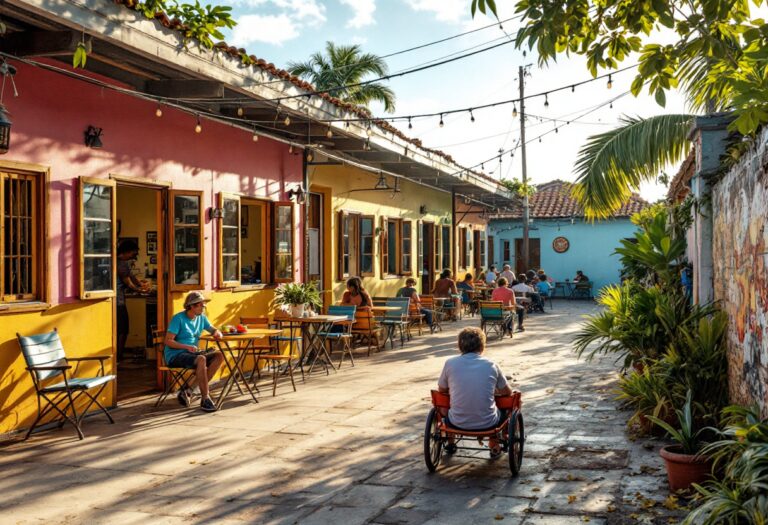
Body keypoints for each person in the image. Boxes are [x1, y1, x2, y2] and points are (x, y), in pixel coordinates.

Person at [437, 327, 513, 458]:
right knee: (504, 406)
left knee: (447, 402)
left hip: (455, 422)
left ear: (460, 346)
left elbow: (442, 390)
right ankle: (494, 445)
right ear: (482, 346)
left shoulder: (450, 363)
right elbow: (507, 392)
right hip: (488, 423)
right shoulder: (491, 365)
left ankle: (450, 441)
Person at [164, 291, 224, 412]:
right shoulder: (178, 318)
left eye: (203, 305)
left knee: (219, 355)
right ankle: (205, 398)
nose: (203, 308)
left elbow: (212, 329)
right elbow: (168, 341)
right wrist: (186, 347)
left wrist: (217, 332)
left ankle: (188, 390)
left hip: (192, 354)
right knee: (202, 359)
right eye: (201, 305)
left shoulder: (201, 318)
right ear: (192, 306)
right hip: (175, 355)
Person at [116, 239, 149, 363]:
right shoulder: (121, 264)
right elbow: (128, 282)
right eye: (133, 254)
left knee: (122, 330)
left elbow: (131, 277)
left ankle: (119, 355)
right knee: (123, 330)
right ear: (127, 252)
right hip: (118, 302)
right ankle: (118, 356)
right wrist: (140, 290)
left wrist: (140, 284)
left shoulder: (122, 263)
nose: (134, 257)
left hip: (119, 301)